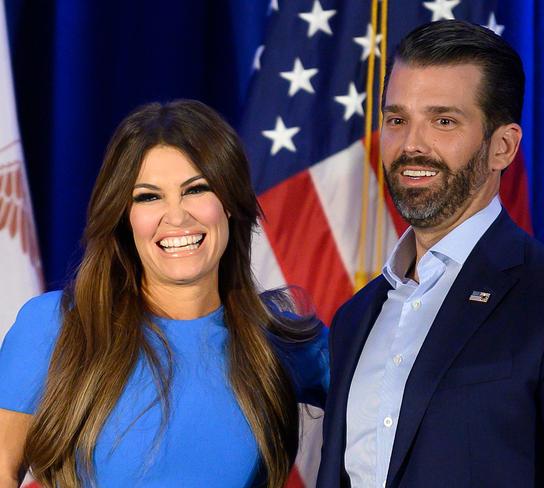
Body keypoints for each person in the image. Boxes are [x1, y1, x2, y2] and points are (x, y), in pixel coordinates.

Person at [317, 20, 544, 488]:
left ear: (503, 147)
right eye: (397, 119)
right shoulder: (355, 318)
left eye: (444, 121)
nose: (412, 144)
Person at [0, 99, 328, 488]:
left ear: (230, 203)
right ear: (124, 215)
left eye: (196, 189)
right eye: (149, 196)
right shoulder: (54, 326)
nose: (176, 216)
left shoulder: (284, 341)